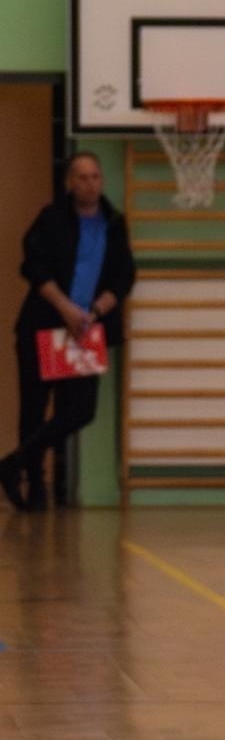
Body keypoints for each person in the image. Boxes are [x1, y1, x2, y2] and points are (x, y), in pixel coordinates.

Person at [1, 152, 134, 511]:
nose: (90, 184)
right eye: (82, 177)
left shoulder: (114, 222)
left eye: (95, 176)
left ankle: (12, 462)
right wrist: (65, 308)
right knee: (34, 405)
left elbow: (124, 275)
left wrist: (96, 310)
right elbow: (32, 265)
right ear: (69, 183)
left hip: (86, 329)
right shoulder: (52, 218)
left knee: (81, 409)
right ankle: (34, 486)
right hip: (45, 322)